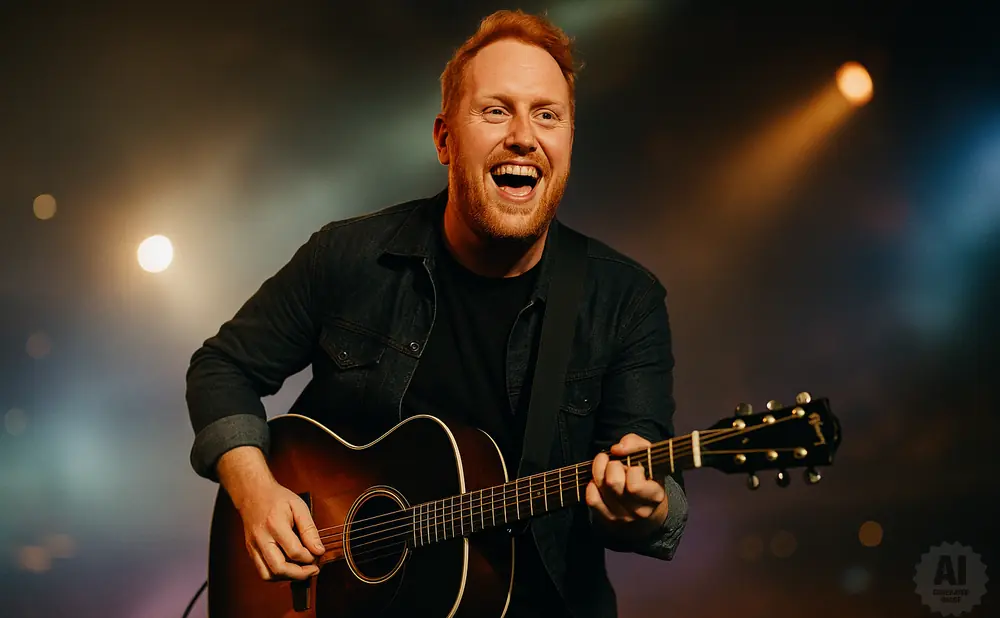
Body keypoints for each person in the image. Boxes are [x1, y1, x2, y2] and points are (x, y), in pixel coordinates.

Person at [185, 9, 688, 618]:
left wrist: (646, 509)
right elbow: (221, 369)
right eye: (495, 111)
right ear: (445, 140)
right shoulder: (349, 256)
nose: (523, 136)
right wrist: (256, 490)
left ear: (568, 142)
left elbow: (649, 491)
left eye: (547, 115)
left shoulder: (626, 301)